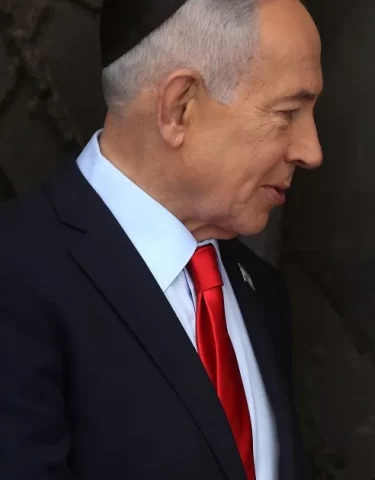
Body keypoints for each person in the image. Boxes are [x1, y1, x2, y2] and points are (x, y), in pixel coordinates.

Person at [0, 0, 322, 478]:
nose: (311, 151)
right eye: (288, 112)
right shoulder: (15, 276)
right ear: (179, 107)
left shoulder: (259, 290)